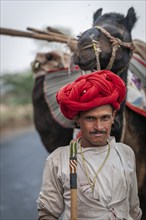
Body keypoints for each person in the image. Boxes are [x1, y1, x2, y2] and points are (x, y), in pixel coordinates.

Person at [37, 70, 142, 220]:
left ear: (113, 117)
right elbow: (47, 214)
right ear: (77, 119)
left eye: (105, 118)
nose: (99, 126)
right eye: (90, 118)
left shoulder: (126, 153)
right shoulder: (58, 159)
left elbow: (133, 209)